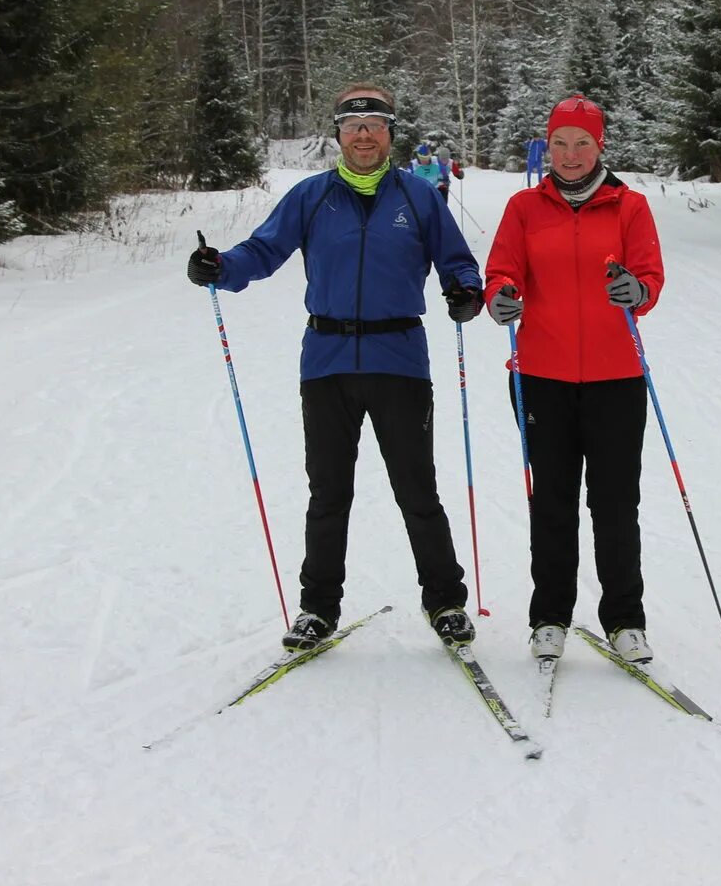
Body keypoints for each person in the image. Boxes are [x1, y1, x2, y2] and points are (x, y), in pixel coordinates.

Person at [187, 82, 486, 651]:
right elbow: (262, 251)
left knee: (417, 490)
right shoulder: (312, 196)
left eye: (374, 126)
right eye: (353, 127)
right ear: (339, 136)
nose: (364, 135)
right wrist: (218, 266)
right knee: (328, 493)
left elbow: (456, 260)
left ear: (390, 134)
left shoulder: (419, 198)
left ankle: (445, 601)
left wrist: (465, 291)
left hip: (399, 358)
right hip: (326, 362)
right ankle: (317, 609)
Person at [481, 94, 665, 665]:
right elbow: (502, 269)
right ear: (547, 145)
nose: (570, 154)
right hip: (541, 377)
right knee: (552, 501)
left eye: (582, 142)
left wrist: (638, 291)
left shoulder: (629, 207)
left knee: (615, 503)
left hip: (617, 378)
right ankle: (550, 616)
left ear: (599, 145)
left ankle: (625, 619)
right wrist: (501, 296)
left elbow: (650, 275)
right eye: (560, 143)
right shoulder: (524, 207)